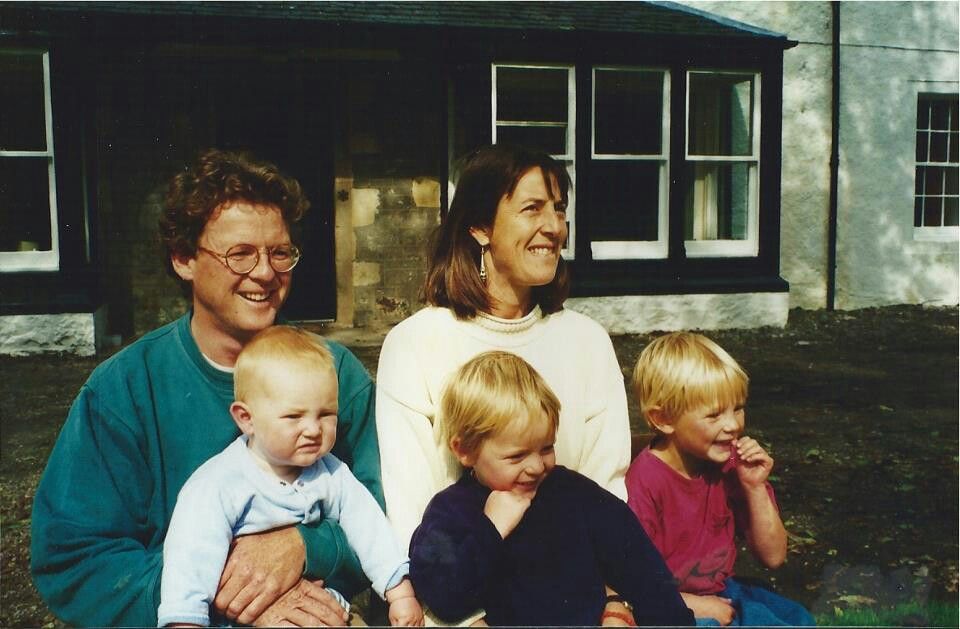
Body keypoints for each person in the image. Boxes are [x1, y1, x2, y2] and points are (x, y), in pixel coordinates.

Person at [31, 149, 381, 627]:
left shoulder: (337, 375)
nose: (265, 273)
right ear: (183, 259)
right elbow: (72, 558)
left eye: (280, 252)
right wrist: (223, 586)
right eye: (240, 254)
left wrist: (306, 548)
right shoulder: (124, 391)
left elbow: (387, 509)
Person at [375, 144, 631, 555]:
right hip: (460, 597)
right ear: (480, 226)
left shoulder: (587, 342)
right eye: (532, 208)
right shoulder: (415, 344)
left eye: (559, 208)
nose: (554, 227)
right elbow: (410, 511)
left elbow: (608, 491)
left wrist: (614, 603)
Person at [159, 326, 422, 627]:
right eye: (294, 417)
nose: (313, 429)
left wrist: (399, 592)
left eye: (326, 414)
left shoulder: (331, 473)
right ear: (247, 419)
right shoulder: (218, 485)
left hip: (325, 612)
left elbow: (370, 528)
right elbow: (190, 557)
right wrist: (185, 620)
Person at [408, 351, 695, 626]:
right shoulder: (453, 513)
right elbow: (443, 597)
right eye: (516, 456)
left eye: (547, 448)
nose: (536, 466)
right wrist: (490, 529)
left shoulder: (573, 493)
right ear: (465, 450)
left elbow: (639, 565)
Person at [626, 332, 815, 627]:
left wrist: (754, 487)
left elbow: (774, 556)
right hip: (667, 604)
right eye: (714, 415)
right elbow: (633, 580)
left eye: (737, 408)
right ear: (663, 419)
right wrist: (695, 605)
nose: (732, 425)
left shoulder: (731, 466)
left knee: (796, 618)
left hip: (721, 591)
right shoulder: (646, 481)